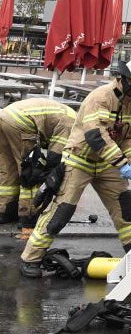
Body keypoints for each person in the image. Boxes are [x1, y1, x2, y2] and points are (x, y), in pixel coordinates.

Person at [20, 58, 131, 278]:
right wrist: (121, 162)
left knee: (126, 209)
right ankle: (30, 259)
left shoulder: (130, 103)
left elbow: (128, 137)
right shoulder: (100, 97)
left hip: (108, 163)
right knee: (60, 213)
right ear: (126, 78)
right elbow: (95, 136)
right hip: (80, 160)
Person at [0, 98, 75, 241]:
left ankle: (5, 211)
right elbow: (55, 157)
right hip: (21, 124)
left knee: (8, 170)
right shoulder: (72, 123)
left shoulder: (66, 113)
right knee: (30, 172)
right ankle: (28, 218)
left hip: (4, 117)